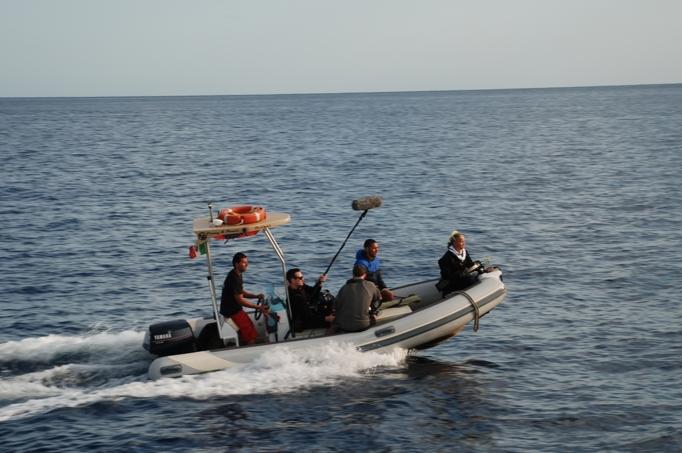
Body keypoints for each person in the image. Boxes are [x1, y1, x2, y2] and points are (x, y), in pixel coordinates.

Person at [220, 252, 269, 345]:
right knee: (250, 335)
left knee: (250, 328)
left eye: (247, 262)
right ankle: (251, 350)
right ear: (236, 264)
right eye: (244, 262)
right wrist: (259, 307)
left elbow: (240, 292)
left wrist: (255, 296)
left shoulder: (237, 274)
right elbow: (240, 300)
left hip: (234, 310)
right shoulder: (234, 278)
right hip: (232, 311)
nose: (247, 264)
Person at [437, 231, 493, 295]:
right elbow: (447, 276)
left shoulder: (464, 252)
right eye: (461, 241)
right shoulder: (446, 258)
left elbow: (470, 265)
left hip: (463, 279)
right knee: (472, 280)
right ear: (454, 243)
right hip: (453, 284)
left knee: (476, 276)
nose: (464, 243)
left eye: (464, 241)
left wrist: (483, 270)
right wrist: (462, 273)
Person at [333, 264, 382, 332]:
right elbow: (379, 300)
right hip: (364, 325)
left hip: (344, 326)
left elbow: (335, 306)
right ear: (365, 275)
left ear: (353, 274)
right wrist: (373, 311)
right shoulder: (371, 285)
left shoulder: (344, 288)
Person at [286, 268, 333, 332]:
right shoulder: (296, 297)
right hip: (303, 324)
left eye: (302, 277)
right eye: (300, 278)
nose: (303, 279)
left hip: (307, 315)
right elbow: (308, 318)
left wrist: (319, 282)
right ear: (292, 280)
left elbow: (313, 292)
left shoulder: (301, 286)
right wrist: (326, 318)